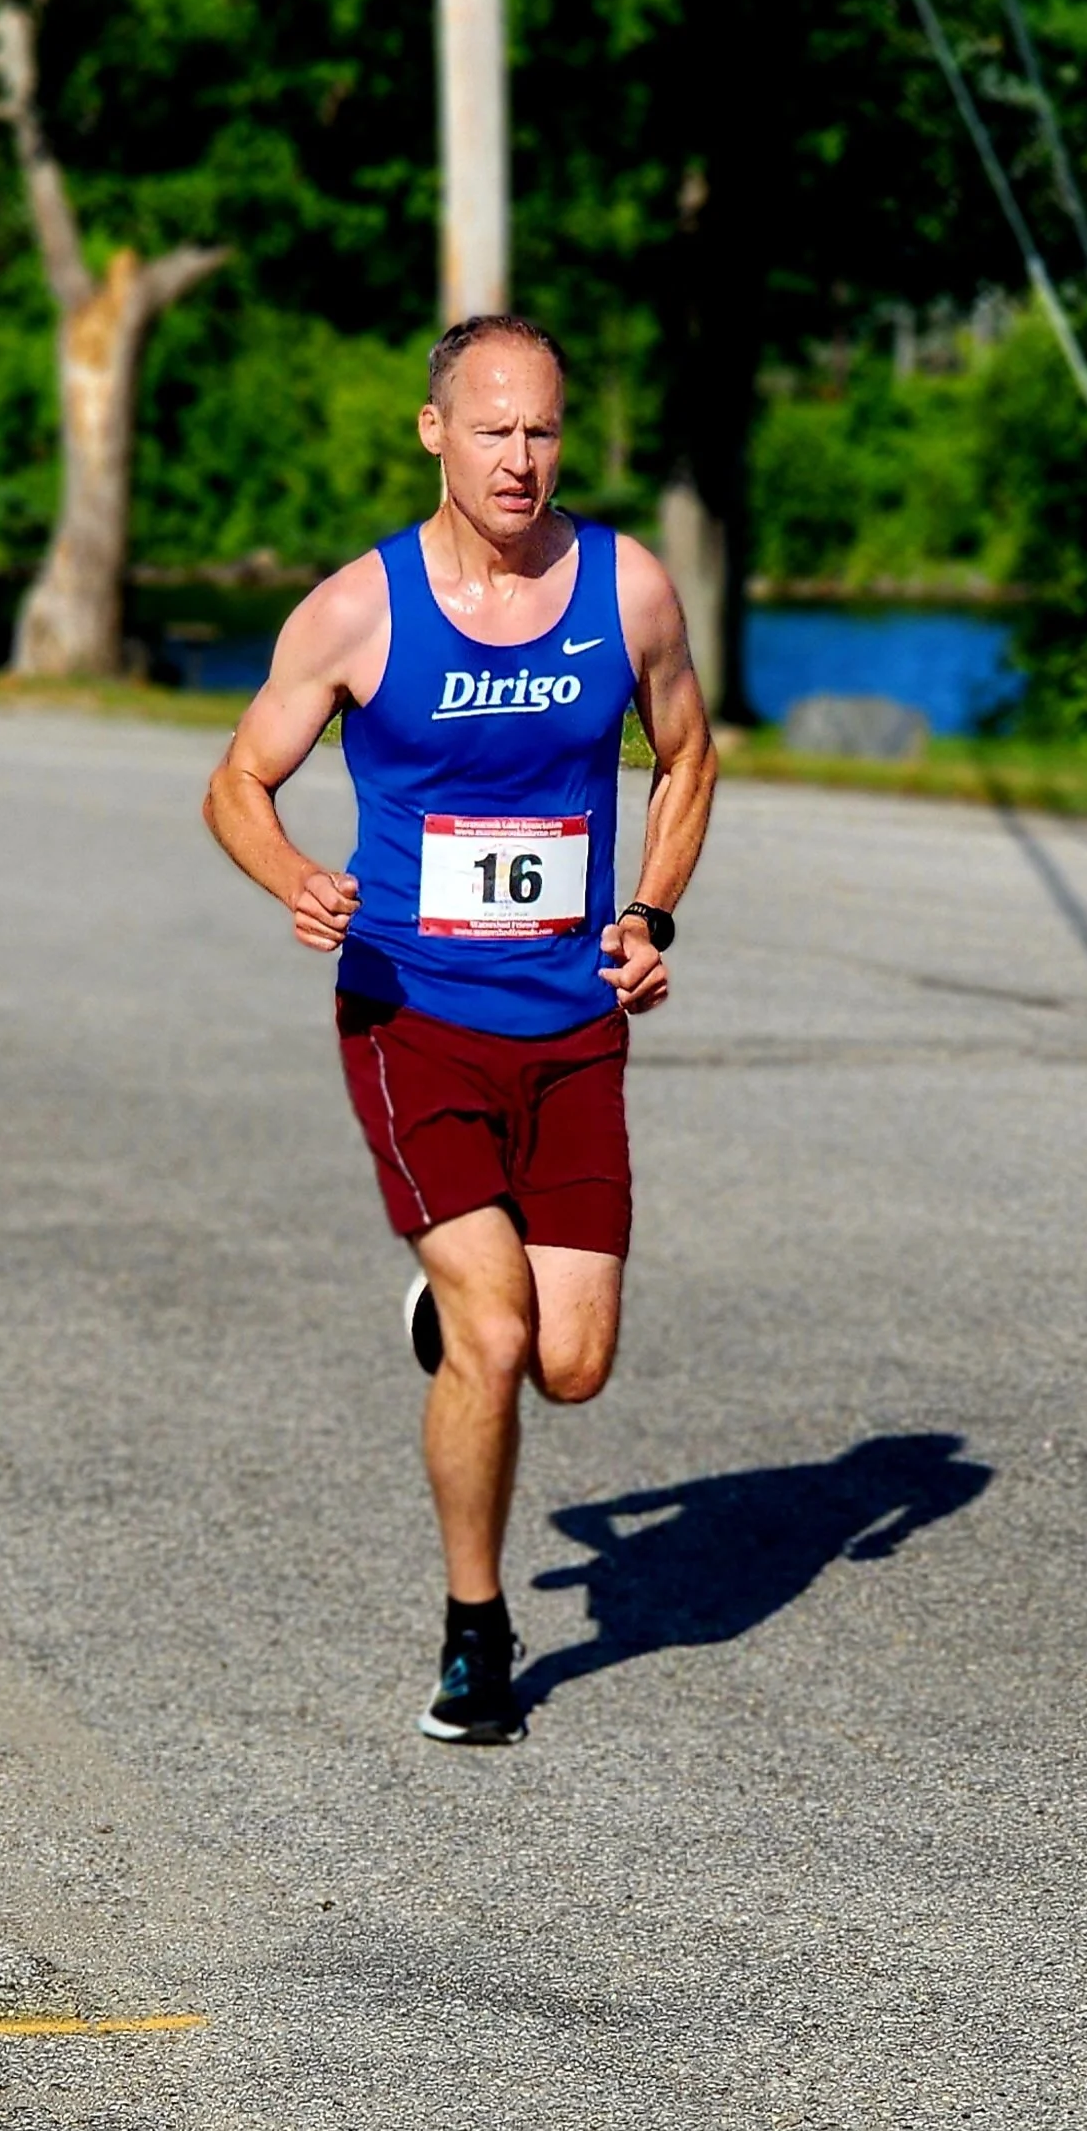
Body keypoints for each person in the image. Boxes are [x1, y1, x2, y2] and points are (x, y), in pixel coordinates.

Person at [204, 313, 716, 1744]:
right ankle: (476, 1632)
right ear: (435, 431)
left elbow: (688, 756)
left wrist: (650, 914)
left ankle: (451, 1311)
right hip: (410, 1013)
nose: (520, 459)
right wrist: (297, 874)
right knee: (500, 1334)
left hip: (571, 1023)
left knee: (573, 1361)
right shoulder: (360, 610)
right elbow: (238, 780)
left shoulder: (628, 590)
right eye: (491, 429)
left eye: (543, 430)